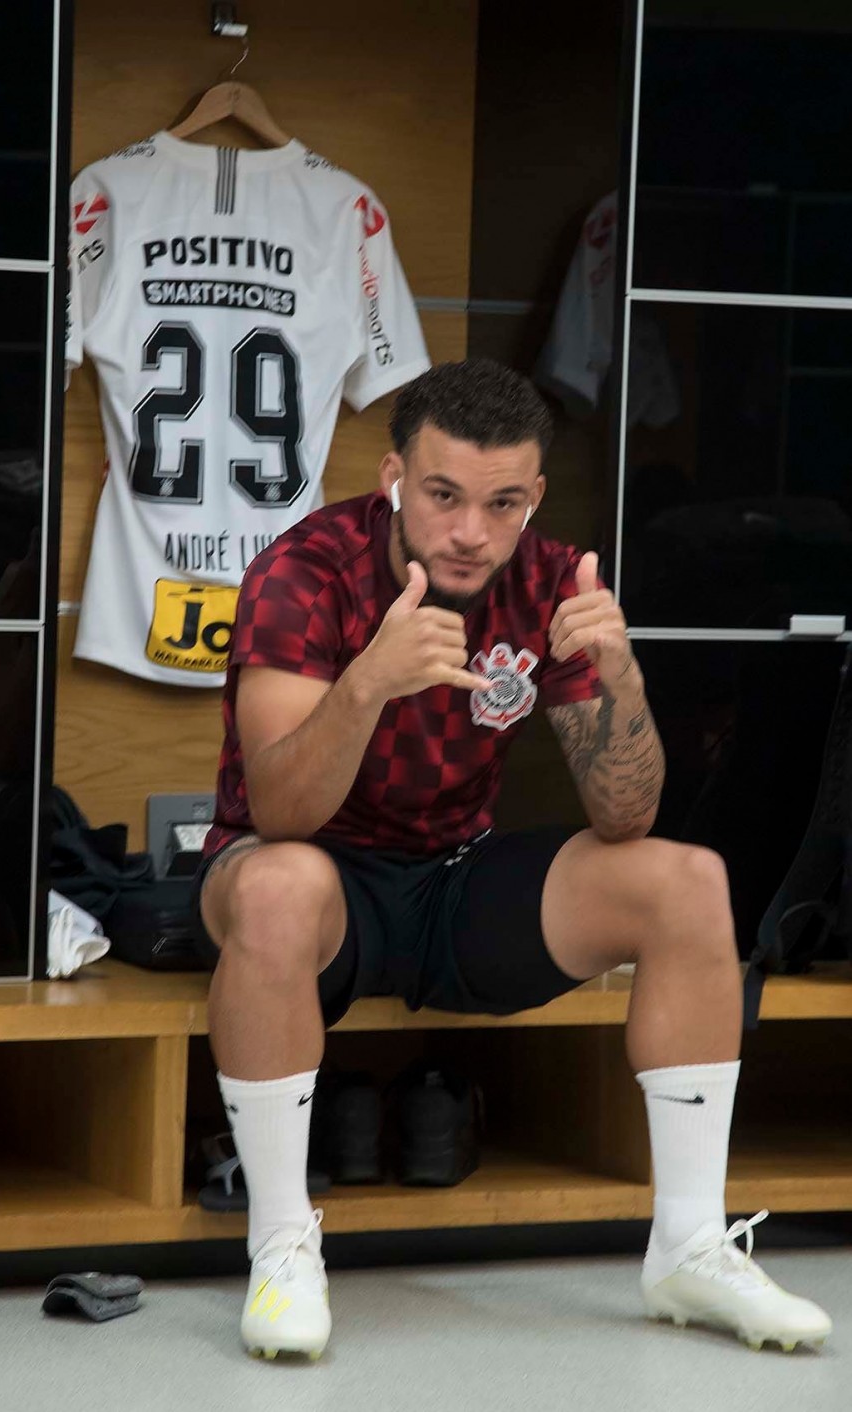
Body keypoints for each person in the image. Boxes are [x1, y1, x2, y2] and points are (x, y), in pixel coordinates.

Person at [193, 359, 831, 1361]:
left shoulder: (548, 578)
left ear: (531, 496)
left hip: (453, 875)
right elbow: (279, 810)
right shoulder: (304, 567)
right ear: (393, 474)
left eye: (501, 504)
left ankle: (688, 1244)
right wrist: (366, 685)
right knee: (278, 884)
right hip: (310, 877)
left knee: (684, 879)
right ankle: (281, 1242)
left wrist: (619, 676)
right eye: (442, 496)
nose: (469, 532)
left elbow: (625, 813)